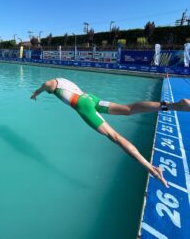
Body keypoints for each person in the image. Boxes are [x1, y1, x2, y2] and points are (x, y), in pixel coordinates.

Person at [30, 77, 190, 188]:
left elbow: (43, 87)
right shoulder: (62, 79)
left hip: (83, 106)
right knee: (128, 109)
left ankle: (151, 168)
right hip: (91, 98)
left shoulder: (49, 85)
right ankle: (174, 105)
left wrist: (36, 94)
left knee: (115, 137)